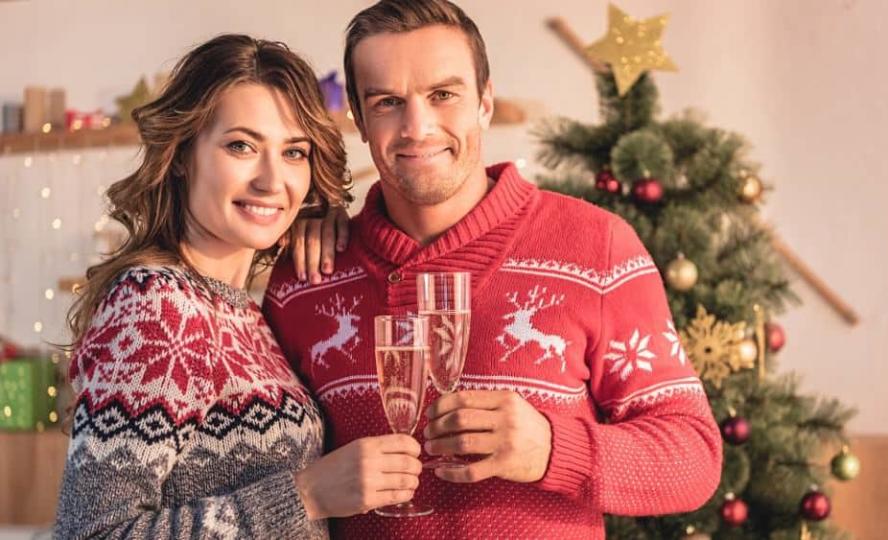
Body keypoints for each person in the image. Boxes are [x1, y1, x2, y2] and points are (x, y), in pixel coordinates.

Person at [264, 1, 724, 538]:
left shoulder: (597, 247)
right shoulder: (305, 275)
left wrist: (553, 449)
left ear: (484, 102)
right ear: (360, 122)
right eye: (388, 102)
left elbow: (693, 456)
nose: (418, 126)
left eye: (443, 95)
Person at [55, 34, 422, 540]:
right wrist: (307, 496)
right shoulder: (157, 305)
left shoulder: (245, 314)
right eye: (241, 146)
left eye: (294, 152)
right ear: (183, 153)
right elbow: (90, 535)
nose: (273, 180)